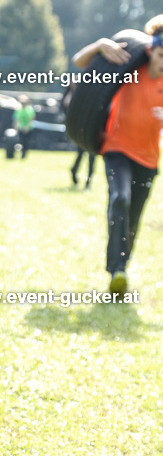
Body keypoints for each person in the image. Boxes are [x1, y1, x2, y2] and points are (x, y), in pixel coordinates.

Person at [73, 15, 163, 296]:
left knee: (133, 220)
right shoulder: (130, 66)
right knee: (119, 198)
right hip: (117, 150)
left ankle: (122, 266)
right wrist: (100, 45)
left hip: (148, 159)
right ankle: (117, 270)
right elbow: (80, 62)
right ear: (151, 50)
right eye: (162, 55)